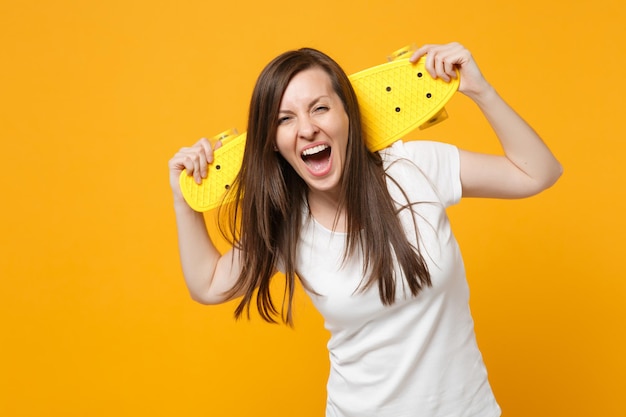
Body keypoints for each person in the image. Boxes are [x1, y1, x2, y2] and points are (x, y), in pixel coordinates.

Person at [168, 42, 562, 417]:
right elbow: (207, 285)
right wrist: (183, 199)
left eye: (319, 108)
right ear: (272, 142)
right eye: (284, 119)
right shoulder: (285, 222)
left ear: (347, 114)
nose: (306, 129)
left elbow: (537, 173)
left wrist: (480, 90)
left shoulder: (413, 167)